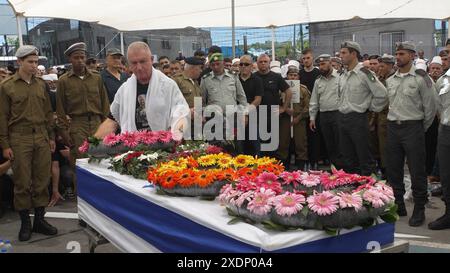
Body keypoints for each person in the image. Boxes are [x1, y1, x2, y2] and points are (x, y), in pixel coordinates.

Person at [0, 45, 58, 241]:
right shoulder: (7, 86)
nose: (35, 66)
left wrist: (50, 137)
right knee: (22, 182)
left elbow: (48, 113)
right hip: (19, 138)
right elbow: (2, 118)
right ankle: (25, 223)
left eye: (36, 62)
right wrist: (5, 145)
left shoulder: (41, 84)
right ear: (19, 62)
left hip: (41, 136)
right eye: (30, 62)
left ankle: (39, 221)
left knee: (42, 180)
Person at [386, 41, 438, 227]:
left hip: (413, 127)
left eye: (402, 54)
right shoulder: (391, 79)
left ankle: (419, 209)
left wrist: (419, 127)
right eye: (397, 53)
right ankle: (399, 204)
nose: (398, 57)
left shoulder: (421, 79)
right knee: (393, 169)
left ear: (412, 56)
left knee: (417, 170)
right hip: (393, 127)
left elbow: (431, 107)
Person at [95, 42, 189, 138]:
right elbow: (112, 120)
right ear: (128, 64)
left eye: (143, 61)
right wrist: (93, 143)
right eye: (134, 63)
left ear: (151, 60)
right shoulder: (124, 90)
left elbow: (182, 115)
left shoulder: (168, 86)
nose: (139, 67)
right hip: (132, 148)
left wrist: (175, 135)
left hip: (164, 148)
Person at [56, 42, 110, 193]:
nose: (80, 60)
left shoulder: (96, 78)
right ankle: (83, 200)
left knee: (100, 160)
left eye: (82, 57)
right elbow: (60, 110)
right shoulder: (64, 81)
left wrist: (107, 127)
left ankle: (101, 197)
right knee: (80, 164)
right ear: (70, 59)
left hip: (97, 123)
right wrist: (65, 134)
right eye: (76, 57)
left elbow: (105, 104)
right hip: (77, 125)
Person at [338, 41, 388, 176]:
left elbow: (382, 94)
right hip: (343, 118)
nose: (340, 55)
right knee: (348, 158)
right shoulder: (343, 74)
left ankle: (369, 191)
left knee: (364, 157)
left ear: (353, 54)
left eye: (343, 53)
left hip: (358, 119)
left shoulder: (364, 73)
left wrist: (370, 108)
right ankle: (350, 190)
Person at [201, 53, 249, 153]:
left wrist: (244, 114)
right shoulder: (206, 79)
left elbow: (242, 98)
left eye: (218, 64)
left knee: (237, 148)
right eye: (212, 65)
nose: (215, 67)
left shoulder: (233, 77)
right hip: (214, 120)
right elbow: (202, 100)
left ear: (223, 63)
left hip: (233, 118)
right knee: (216, 150)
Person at [256, 54, 293, 160]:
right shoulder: (254, 77)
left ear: (269, 63)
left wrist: (284, 108)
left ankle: (273, 169)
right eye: (261, 61)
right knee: (259, 145)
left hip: (273, 115)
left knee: (273, 145)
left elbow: (288, 91)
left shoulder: (276, 77)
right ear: (257, 63)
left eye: (265, 61)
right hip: (257, 115)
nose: (263, 63)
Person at [309, 54, 342, 169]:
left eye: (323, 64)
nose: (321, 67)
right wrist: (312, 118)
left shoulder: (340, 76)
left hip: (338, 114)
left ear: (330, 63)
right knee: (329, 144)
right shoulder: (318, 81)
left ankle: (344, 169)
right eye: (319, 65)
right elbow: (314, 100)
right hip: (324, 115)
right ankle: (335, 168)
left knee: (340, 143)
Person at [429, 68, 450, 230]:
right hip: (446, 129)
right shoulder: (443, 79)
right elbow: (437, 105)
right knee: (446, 175)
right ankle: (449, 214)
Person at [283, 66, 310, 171]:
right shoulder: (282, 89)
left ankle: (300, 168)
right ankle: (284, 167)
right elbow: (277, 103)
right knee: (284, 143)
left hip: (299, 121)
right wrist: (285, 109)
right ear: (287, 76)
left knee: (301, 144)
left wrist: (299, 117)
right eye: (290, 75)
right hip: (285, 120)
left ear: (298, 77)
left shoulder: (303, 89)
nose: (293, 77)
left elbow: (308, 106)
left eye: (295, 75)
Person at [299, 48, 322, 170]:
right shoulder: (299, 74)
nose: (306, 60)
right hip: (303, 110)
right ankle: (305, 160)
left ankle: (315, 160)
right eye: (304, 58)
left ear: (312, 58)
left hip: (316, 109)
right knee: (303, 137)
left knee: (315, 136)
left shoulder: (318, 73)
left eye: (308, 58)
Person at [172, 57, 205, 139]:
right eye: (199, 68)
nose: (201, 71)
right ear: (192, 68)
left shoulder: (195, 82)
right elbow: (172, 103)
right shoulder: (177, 81)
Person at [376, 54, 396, 179]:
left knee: (388, 148)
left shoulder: (394, 79)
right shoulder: (380, 79)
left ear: (390, 66)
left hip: (389, 117)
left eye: (382, 66)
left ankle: (390, 174)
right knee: (379, 147)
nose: (379, 69)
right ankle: (383, 171)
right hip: (379, 118)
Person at [239, 55, 263, 156]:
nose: (243, 66)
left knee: (255, 146)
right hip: (237, 116)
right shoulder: (234, 80)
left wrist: (246, 113)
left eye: (246, 64)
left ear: (252, 66)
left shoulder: (257, 80)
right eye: (241, 64)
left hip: (253, 116)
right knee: (238, 147)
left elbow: (258, 99)